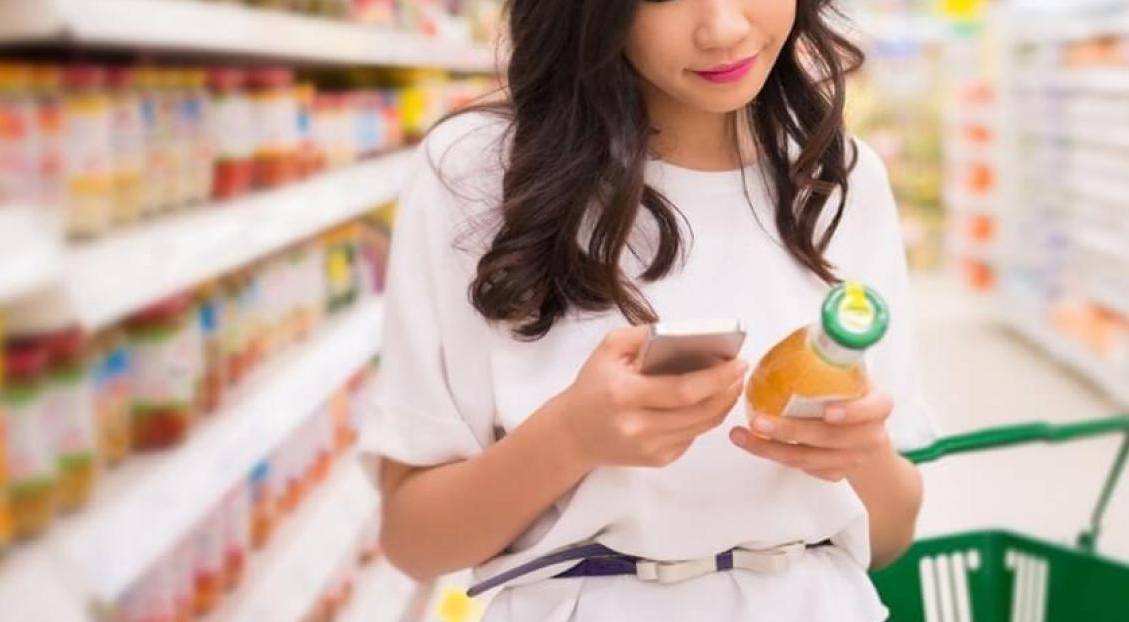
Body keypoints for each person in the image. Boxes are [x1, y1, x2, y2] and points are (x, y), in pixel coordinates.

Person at [359, 0, 935, 619]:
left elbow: (889, 537)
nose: (723, 29)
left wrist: (860, 453)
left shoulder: (841, 178)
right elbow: (414, 542)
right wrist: (571, 437)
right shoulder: (478, 174)